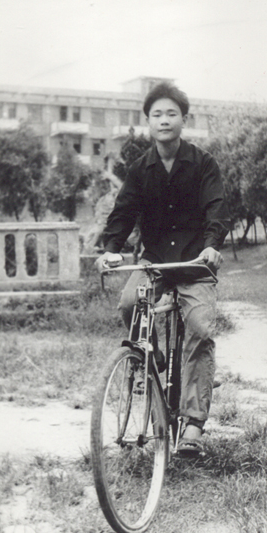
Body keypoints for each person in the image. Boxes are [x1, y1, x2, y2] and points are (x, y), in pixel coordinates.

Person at [95, 82, 231, 455]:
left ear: (183, 120)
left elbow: (217, 209)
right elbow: (123, 213)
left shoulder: (203, 163)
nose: (164, 120)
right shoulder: (141, 170)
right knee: (128, 305)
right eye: (157, 114)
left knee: (201, 329)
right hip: (155, 260)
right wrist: (111, 249)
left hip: (194, 263)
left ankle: (192, 425)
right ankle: (150, 360)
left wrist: (211, 246)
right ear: (148, 122)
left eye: (172, 113)